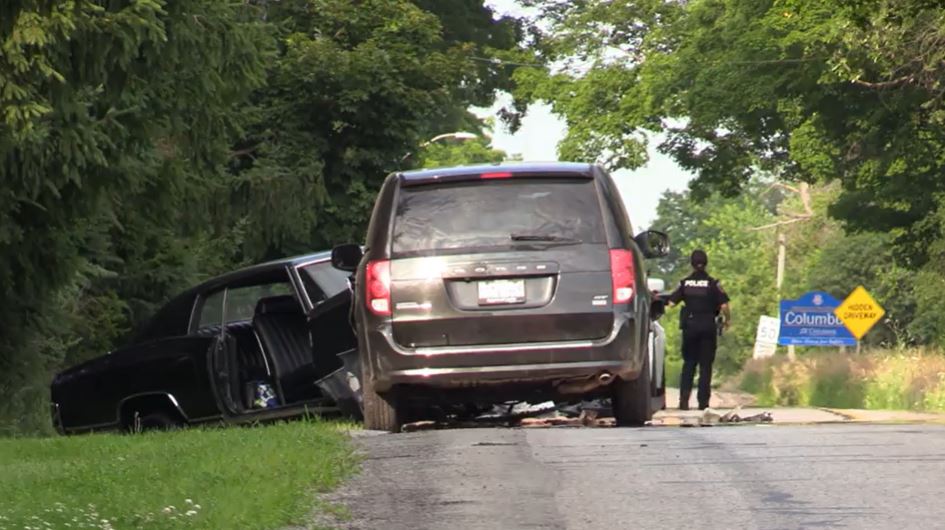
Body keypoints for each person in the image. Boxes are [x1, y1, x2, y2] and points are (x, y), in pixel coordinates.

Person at [666, 250, 731, 410]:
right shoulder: (713, 283)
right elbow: (724, 306)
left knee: (689, 364)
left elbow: (671, 304)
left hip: (690, 327)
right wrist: (728, 320)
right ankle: (703, 403)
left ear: (692, 263)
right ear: (706, 263)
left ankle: (684, 401)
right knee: (705, 366)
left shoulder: (685, 283)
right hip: (708, 326)